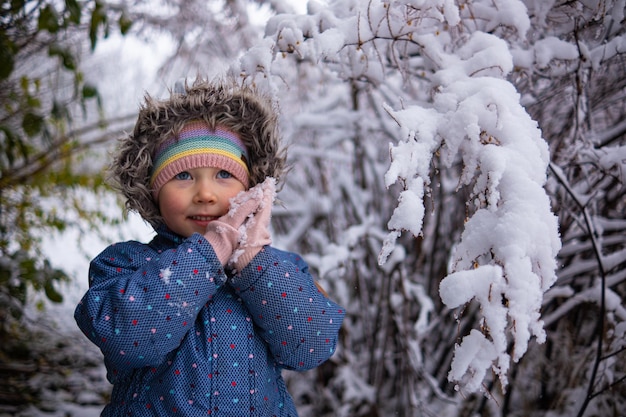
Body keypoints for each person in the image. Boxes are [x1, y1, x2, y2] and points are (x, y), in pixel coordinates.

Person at [74, 78, 345, 416]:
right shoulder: (126, 263)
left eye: (223, 175)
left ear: (252, 187)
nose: (205, 193)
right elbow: (126, 339)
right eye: (183, 176)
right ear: (152, 191)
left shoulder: (280, 270)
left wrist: (252, 261)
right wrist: (207, 254)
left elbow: (311, 347)